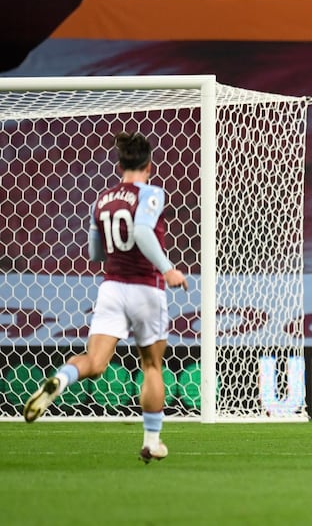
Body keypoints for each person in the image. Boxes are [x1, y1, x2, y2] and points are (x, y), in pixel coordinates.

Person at [23, 132, 188, 464]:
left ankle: (61, 378)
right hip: (145, 288)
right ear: (149, 166)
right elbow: (141, 231)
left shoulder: (102, 199)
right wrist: (168, 269)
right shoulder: (152, 193)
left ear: (120, 164)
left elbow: (95, 252)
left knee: (94, 363)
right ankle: (152, 442)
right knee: (152, 365)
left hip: (111, 288)